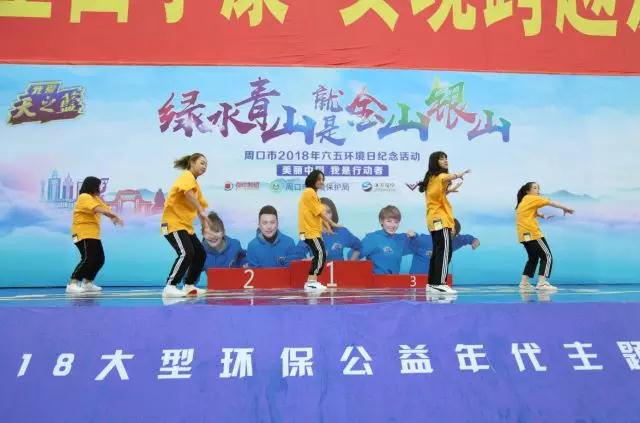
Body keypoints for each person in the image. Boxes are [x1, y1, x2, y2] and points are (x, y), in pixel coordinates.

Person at [418, 151, 470, 294]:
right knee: (446, 250)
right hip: (440, 218)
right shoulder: (440, 176)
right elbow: (446, 176)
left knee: (438, 251)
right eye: (441, 159)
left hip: (433, 219)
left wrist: (448, 191)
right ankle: (440, 283)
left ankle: (432, 284)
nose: (445, 160)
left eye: (446, 158)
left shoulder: (431, 178)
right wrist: (459, 174)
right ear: (435, 162)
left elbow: (434, 196)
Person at [161, 153, 210, 298]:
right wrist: (200, 211)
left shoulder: (194, 183)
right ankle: (170, 286)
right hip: (172, 224)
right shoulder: (187, 176)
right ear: (192, 163)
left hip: (185, 226)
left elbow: (199, 207)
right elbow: (188, 194)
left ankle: (189, 285)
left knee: (200, 253)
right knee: (186, 253)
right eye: (202, 163)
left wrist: (204, 225)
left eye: (206, 164)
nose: (204, 166)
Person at [67, 177, 123, 294]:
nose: (100, 188)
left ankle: (87, 283)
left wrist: (113, 217)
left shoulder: (95, 198)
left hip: (93, 234)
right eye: (98, 185)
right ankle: (73, 283)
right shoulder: (84, 197)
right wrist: (112, 216)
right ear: (93, 186)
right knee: (88, 258)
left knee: (99, 259)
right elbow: (97, 209)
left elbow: (105, 208)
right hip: (83, 233)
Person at [516, 182, 574, 291]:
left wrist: (542, 215)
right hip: (533, 233)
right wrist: (565, 208)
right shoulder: (532, 198)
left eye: (538, 188)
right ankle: (542, 283)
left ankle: (524, 283)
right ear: (528, 191)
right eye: (535, 188)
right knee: (547, 256)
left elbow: (528, 213)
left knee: (533, 258)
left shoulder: (524, 200)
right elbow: (550, 202)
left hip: (524, 235)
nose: (538, 190)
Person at [298, 170, 340, 292]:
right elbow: (320, 213)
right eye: (319, 179)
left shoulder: (314, 195)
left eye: (323, 179)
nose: (321, 182)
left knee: (320, 253)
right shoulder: (309, 192)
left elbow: (318, 215)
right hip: (309, 231)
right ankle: (311, 282)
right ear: (313, 180)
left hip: (313, 231)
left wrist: (328, 228)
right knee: (321, 253)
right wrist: (333, 223)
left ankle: (312, 281)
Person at [409, 219, 480, 275]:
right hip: (416, 280)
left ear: (454, 235)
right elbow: (416, 238)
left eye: (451, 234)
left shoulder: (454, 241)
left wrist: (475, 241)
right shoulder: (424, 240)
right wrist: (413, 236)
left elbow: (468, 238)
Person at [361, 205, 417, 275]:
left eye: (396, 222)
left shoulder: (401, 239)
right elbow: (351, 257)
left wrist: (415, 237)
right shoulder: (372, 238)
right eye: (389, 221)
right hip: (376, 280)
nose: (392, 225)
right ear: (381, 221)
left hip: (394, 280)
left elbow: (420, 246)